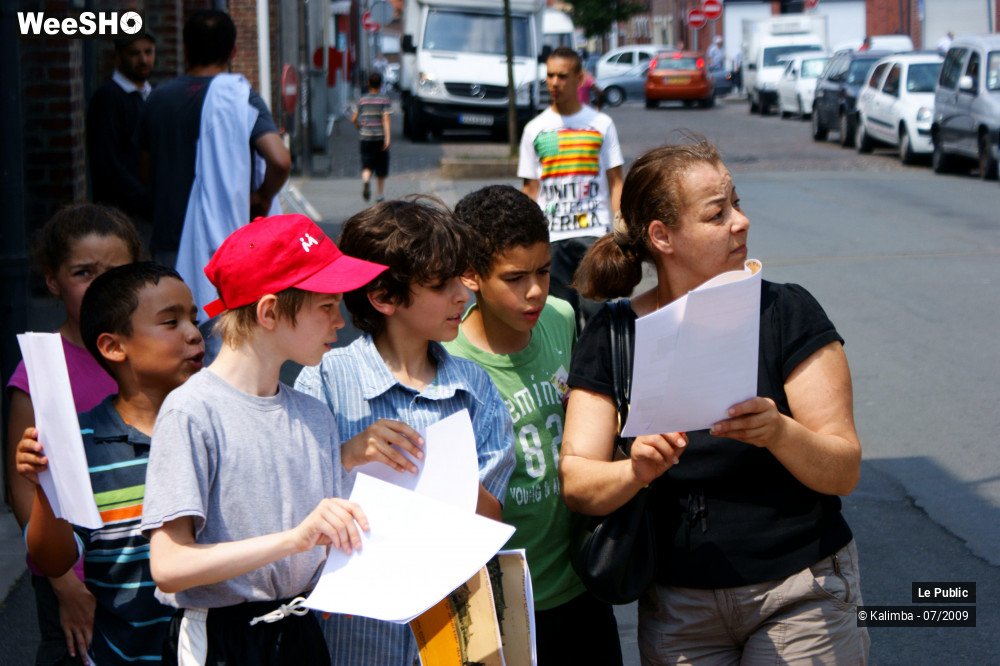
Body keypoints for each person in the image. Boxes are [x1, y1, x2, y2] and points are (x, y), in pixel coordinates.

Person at [560, 140, 869, 663]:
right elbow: (577, 482)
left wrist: (780, 432)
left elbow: (844, 470)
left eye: (737, 204)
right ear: (662, 236)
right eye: (716, 213)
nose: (741, 222)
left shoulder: (786, 311)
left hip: (799, 590)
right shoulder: (614, 334)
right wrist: (634, 471)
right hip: (678, 610)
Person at [140, 214, 387, 664]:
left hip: (300, 631)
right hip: (222, 638)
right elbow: (169, 565)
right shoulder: (191, 411)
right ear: (269, 312)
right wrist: (295, 539)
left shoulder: (314, 414)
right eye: (326, 306)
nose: (340, 321)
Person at [294, 199, 516, 666]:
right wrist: (348, 454)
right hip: (357, 634)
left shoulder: (473, 387)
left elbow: (491, 515)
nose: (462, 295)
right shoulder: (325, 380)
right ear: (383, 298)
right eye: (440, 284)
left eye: (461, 278)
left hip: (451, 627)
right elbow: (296, 506)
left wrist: (444, 472)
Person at [445, 185, 623, 666]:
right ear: (471, 275)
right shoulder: (447, 358)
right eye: (515, 277)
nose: (536, 291)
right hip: (499, 600)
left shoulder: (560, 318)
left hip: (581, 583)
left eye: (543, 271)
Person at [15, 262, 205, 665]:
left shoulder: (218, 425)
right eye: (171, 322)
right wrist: (46, 489)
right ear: (113, 347)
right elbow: (53, 560)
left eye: (194, 318)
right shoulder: (81, 446)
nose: (193, 333)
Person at [4, 203, 142, 665]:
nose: (101, 285)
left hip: (144, 568)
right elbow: (23, 487)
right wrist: (64, 584)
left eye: (115, 272)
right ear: (53, 281)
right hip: (71, 571)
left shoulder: (154, 354)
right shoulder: (40, 370)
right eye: (84, 273)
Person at [137, 9, 291, 318]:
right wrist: (262, 197)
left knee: (175, 325)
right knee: (224, 327)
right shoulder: (239, 98)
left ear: (185, 48)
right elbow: (280, 160)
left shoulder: (157, 100)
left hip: (169, 235)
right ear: (233, 51)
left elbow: (144, 171)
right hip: (226, 241)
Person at [518, 46, 624, 329]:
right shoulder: (534, 129)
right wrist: (525, 238)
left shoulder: (601, 124)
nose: (554, 83)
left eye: (562, 76)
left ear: (579, 79)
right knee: (561, 318)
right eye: (550, 75)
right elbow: (530, 190)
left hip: (593, 233)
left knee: (597, 312)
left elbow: (616, 181)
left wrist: (620, 230)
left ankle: (602, 359)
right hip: (551, 236)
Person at [86, 31, 156, 223]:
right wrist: (146, 200)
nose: (143, 60)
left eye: (148, 52)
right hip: (120, 216)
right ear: (118, 56)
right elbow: (108, 164)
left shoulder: (151, 96)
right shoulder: (107, 99)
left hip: (148, 214)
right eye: (134, 53)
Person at [352, 72, 392, 203]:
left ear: (368, 83)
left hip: (365, 137)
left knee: (367, 164)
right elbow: (386, 118)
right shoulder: (384, 99)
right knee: (381, 167)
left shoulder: (362, 99)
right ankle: (379, 195)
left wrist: (359, 126)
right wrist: (387, 138)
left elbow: (353, 118)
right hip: (380, 138)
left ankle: (366, 181)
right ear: (381, 84)